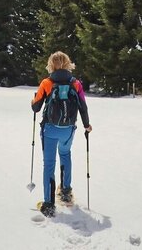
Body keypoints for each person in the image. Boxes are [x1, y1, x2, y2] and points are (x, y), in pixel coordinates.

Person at [31, 51, 92, 218]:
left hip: (50, 129)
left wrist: (33, 99)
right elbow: (83, 107)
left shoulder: (47, 82)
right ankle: (65, 192)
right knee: (65, 154)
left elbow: (36, 108)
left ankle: (49, 204)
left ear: (51, 65)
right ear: (68, 64)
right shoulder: (76, 84)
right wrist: (87, 126)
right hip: (68, 130)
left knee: (49, 163)